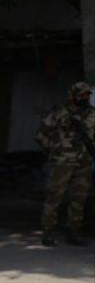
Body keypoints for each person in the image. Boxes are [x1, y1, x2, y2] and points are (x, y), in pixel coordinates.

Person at [36, 81, 94, 246]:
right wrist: (55, 149)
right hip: (62, 162)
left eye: (87, 95)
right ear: (73, 95)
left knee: (79, 198)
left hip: (84, 162)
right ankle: (48, 233)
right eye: (81, 95)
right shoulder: (60, 112)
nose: (84, 98)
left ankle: (74, 232)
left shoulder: (92, 114)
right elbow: (41, 135)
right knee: (55, 197)